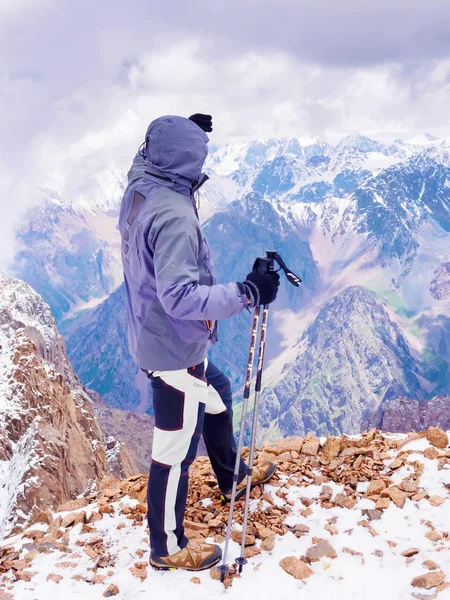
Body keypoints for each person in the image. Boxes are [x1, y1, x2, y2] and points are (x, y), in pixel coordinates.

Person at [119, 113, 280, 572]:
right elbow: (180, 297)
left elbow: (148, 151)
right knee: (174, 453)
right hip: (172, 349)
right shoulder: (172, 215)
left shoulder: (141, 185)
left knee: (219, 392)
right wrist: (246, 293)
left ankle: (231, 477)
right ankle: (167, 547)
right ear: (186, 163)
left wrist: (180, 133)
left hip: (150, 331)